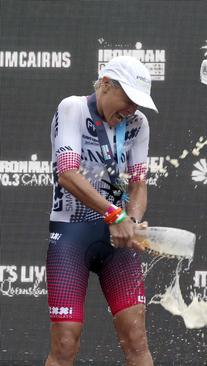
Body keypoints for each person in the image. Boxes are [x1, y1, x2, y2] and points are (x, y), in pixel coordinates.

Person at [45, 55, 157, 366]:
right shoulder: (73, 108)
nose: (132, 109)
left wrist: (131, 222)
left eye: (138, 103)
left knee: (136, 338)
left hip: (117, 241)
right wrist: (115, 215)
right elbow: (67, 173)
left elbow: (138, 184)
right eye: (129, 99)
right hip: (71, 236)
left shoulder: (138, 123)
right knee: (65, 342)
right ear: (106, 85)